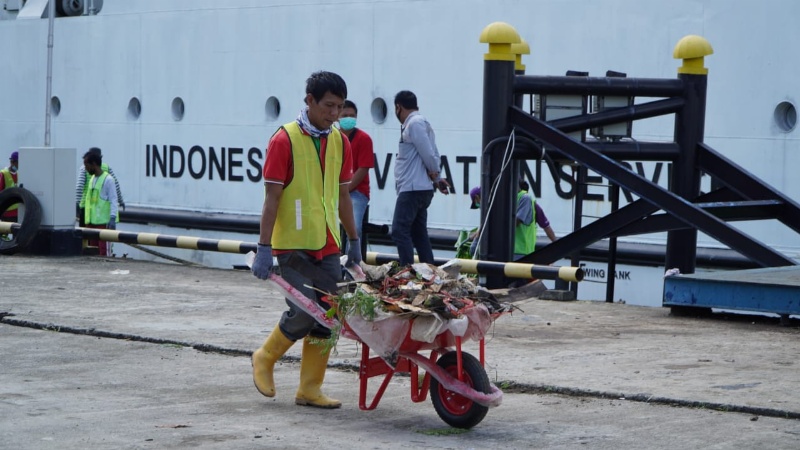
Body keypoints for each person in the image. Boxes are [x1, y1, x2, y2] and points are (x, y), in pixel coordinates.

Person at [250, 71, 361, 410]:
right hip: (291, 245)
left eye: (340, 107)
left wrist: (353, 240)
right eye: (328, 106)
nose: (334, 114)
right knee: (303, 309)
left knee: (328, 314)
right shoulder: (284, 140)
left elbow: (343, 195)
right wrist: (264, 248)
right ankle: (265, 357)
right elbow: (272, 198)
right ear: (309, 101)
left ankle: (309, 389)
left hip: (327, 242)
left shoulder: (340, 140)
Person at [391, 90, 450, 266]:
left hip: (412, 188)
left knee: (399, 230)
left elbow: (429, 154)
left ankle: (407, 272)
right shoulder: (422, 123)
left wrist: (436, 175)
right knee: (418, 233)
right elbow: (434, 152)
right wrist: (437, 180)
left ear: (398, 107)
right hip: (420, 188)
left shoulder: (414, 123)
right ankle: (430, 270)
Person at [467, 182, 557, 260]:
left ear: (477, 198)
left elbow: (514, 223)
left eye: (478, 204)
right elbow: (546, 225)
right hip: (511, 252)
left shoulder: (523, 199)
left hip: (520, 252)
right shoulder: (500, 202)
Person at [338, 100, 374, 246]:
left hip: (357, 191)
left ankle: (351, 264)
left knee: (355, 228)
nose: (349, 118)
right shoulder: (331, 137)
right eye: (345, 115)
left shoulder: (364, 139)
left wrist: (345, 190)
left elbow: (363, 168)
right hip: (332, 190)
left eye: (352, 115)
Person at [80, 150, 119, 256]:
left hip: (103, 223)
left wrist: (112, 218)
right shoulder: (92, 179)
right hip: (92, 223)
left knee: (104, 252)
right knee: (93, 251)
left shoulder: (108, 180)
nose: (85, 169)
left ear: (94, 164)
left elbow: (113, 199)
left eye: (86, 165)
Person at [76, 147, 125, 226]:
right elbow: (116, 186)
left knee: (85, 236)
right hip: (97, 213)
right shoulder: (107, 168)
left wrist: (77, 203)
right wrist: (121, 200)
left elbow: (79, 187)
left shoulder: (84, 168)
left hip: (86, 208)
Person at [0, 151, 19, 223]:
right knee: (4, 233)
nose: (19, 165)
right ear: (12, 162)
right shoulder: (3, 174)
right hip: (6, 212)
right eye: (18, 163)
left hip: (17, 212)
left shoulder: (18, 174)